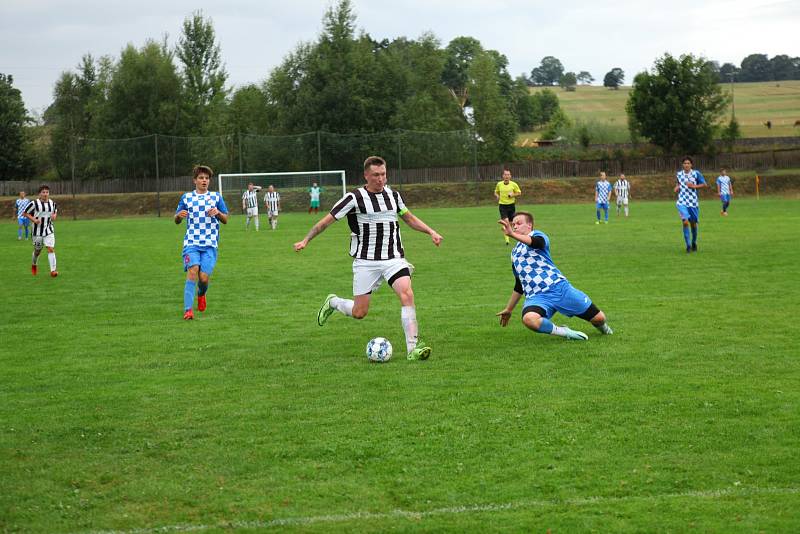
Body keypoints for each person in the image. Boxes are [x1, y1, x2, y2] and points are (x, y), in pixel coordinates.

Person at [294, 155, 443, 361]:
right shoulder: (354, 198)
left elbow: (408, 218)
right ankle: (334, 302)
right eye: (375, 175)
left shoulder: (393, 196)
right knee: (359, 312)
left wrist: (431, 232)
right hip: (366, 262)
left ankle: (413, 348)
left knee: (407, 294)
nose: (380, 179)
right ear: (366, 175)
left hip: (394, 258)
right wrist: (306, 240)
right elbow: (325, 222)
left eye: (383, 174)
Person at [496, 212, 613, 341]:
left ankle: (605, 329)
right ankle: (564, 332)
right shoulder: (514, 253)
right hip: (537, 297)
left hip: (559, 288)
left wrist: (512, 235)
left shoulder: (537, 235)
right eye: (513, 225)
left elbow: (537, 243)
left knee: (599, 318)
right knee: (529, 319)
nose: (515, 227)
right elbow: (519, 284)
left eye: (519, 223)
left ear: (529, 225)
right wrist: (509, 309)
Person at [175, 165, 229, 320]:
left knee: (203, 278)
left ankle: (201, 293)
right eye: (201, 178)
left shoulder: (216, 197)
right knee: (193, 271)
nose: (204, 180)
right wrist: (179, 216)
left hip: (210, 245)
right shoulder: (186, 198)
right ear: (195, 180)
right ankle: (188, 310)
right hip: (191, 243)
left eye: (206, 178)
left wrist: (218, 213)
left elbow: (226, 219)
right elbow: (176, 219)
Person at [24, 185, 58, 277]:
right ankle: (34, 264)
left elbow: (55, 211)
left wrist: (54, 216)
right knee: (37, 251)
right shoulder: (34, 203)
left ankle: (53, 271)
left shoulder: (53, 203)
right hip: (37, 232)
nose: (45, 194)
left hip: (49, 230)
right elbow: (25, 213)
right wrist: (34, 220)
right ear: (39, 194)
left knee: (50, 248)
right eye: (43, 192)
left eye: (47, 192)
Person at [674, 156, 707, 253]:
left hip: (693, 203)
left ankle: (694, 242)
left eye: (688, 163)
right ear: (682, 165)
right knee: (685, 222)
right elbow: (678, 183)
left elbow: (704, 184)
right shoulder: (679, 174)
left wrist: (694, 186)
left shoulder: (696, 173)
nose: (686, 165)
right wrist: (676, 187)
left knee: (693, 224)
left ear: (691, 165)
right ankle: (688, 245)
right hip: (682, 202)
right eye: (685, 163)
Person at [494, 167, 521, 245]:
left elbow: (519, 192)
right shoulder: (499, 184)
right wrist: (497, 196)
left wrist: (512, 194)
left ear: (510, 176)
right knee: (506, 223)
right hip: (502, 206)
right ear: (503, 176)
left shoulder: (514, 184)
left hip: (511, 206)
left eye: (508, 174)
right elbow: (496, 192)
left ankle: (505, 229)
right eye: (505, 174)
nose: (506, 176)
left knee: (511, 223)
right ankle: (507, 240)